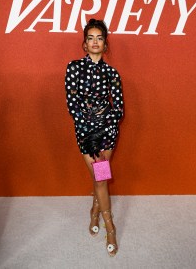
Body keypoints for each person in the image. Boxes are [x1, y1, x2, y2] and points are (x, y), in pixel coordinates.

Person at [65, 19, 123, 256]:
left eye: (100, 38)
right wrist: (89, 131)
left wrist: (106, 124)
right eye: (91, 38)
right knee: (99, 178)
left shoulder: (112, 72)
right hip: (85, 132)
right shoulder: (74, 67)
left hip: (108, 131)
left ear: (105, 43)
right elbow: (72, 103)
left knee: (100, 178)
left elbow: (118, 108)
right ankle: (111, 227)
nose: (95, 42)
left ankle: (95, 211)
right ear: (84, 43)